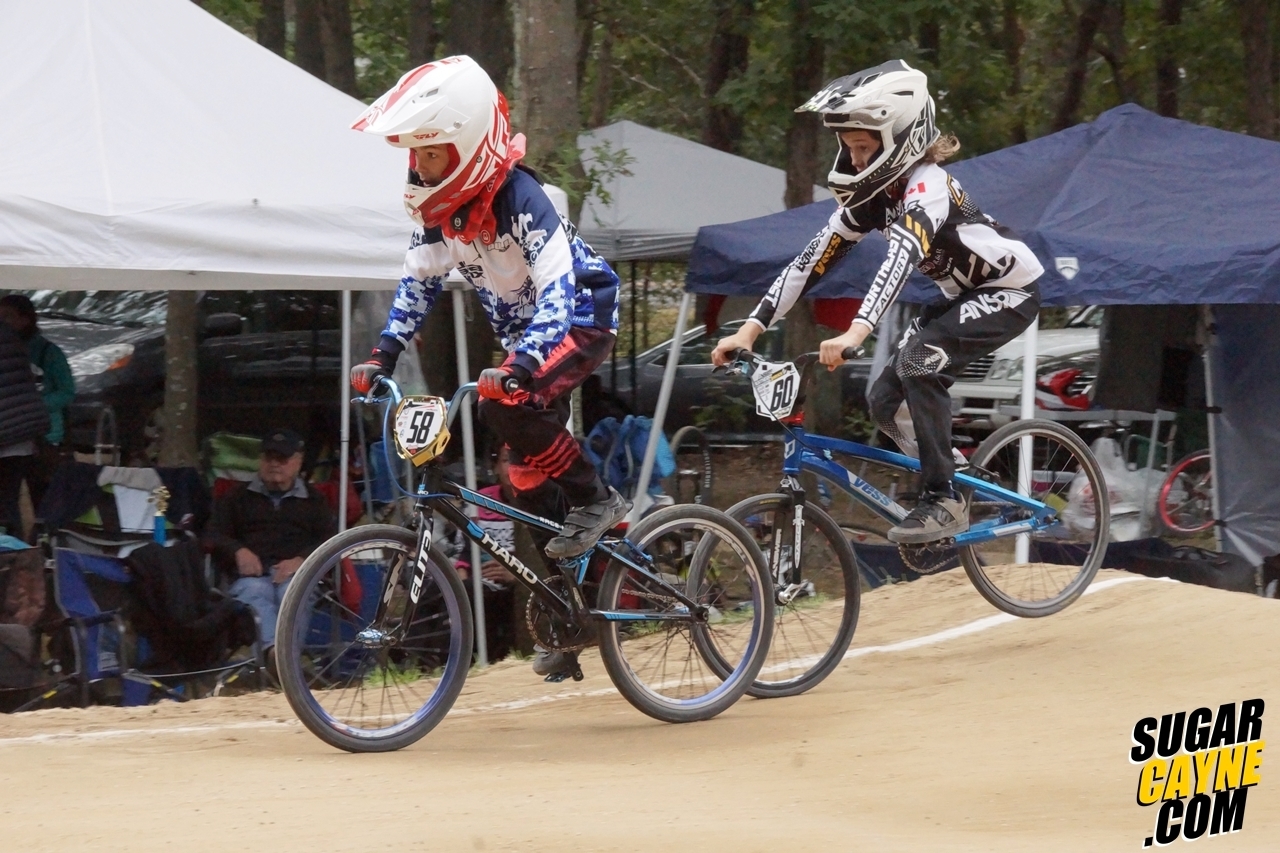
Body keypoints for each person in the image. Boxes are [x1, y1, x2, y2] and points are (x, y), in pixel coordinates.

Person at [712, 60, 1044, 545]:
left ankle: (944, 498)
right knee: (883, 402)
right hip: (960, 296)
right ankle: (958, 476)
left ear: (902, 139)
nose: (854, 158)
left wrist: (857, 330)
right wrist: (750, 328)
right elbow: (809, 262)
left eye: (864, 147)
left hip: (1010, 291)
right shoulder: (872, 197)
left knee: (917, 364)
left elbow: (899, 260)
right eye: (848, 147)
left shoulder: (928, 187)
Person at [348, 55, 626, 563]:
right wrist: (382, 355)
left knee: (501, 406)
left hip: (581, 316)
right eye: (416, 155)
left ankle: (598, 499)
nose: (420, 167)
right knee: (524, 475)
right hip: (527, 339)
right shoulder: (441, 213)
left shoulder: (522, 198)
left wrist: (522, 364)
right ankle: (569, 589)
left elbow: (559, 291)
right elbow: (417, 285)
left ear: (469, 148)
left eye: (432, 154)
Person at [204, 429, 335, 649]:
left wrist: (302, 560)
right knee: (255, 591)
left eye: (282, 459)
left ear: (298, 461)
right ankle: (278, 655)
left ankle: (277, 658)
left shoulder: (315, 500)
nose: (274, 464)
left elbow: (329, 540)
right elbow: (213, 534)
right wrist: (238, 550)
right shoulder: (236, 497)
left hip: (297, 574)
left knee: (292, 593)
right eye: (268, 457)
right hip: (251, 576)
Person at [0, 295, 75, 514]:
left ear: (25, 319)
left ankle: (45, 532)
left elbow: (66, 391)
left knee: (43, 495)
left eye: (7, 316)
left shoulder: (47, 352)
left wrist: (33, 407)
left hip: (45, 436)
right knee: (7, 495)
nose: (2, 322)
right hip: (11, 435)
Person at [449, 445, 518, 663]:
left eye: (519, 461)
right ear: (496, 467)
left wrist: (514, 575)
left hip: (518, 588)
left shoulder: (539, 503)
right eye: (506, 460)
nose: (512, 468)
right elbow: (463, 554)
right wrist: (461, 584)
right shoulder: (481, 501)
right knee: (442, 590)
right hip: (479, 583)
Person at [0, 322, 49, 539]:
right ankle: (15, 552)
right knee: (8, 501)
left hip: (6, 431)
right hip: (22, 429)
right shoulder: (9, 333)